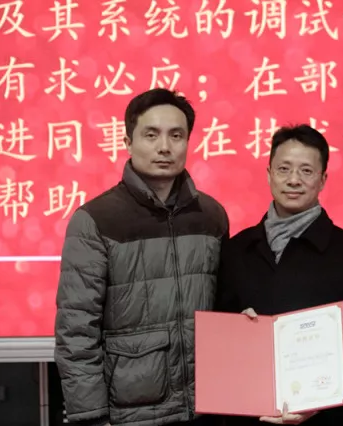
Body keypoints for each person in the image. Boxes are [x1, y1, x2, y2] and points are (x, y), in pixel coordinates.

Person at [54, 88, 229, 426]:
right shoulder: (96, 219)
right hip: (128, 414)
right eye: (151, 134)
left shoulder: (211, 216)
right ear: (127, 141)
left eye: (176, 135)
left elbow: (224, 310)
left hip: (206, 407)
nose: (165, 147)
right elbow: (76, 330)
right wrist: (91, 417)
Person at [216, 124, 343, 426]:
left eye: (306, 171)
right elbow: (220, 332)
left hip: (325, 418)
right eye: (284, 169)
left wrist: (319, 403)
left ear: (323, 179)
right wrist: (236, 332)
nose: (293, 180)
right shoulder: (236, 250)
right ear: (269, 174)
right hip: (249, 415)